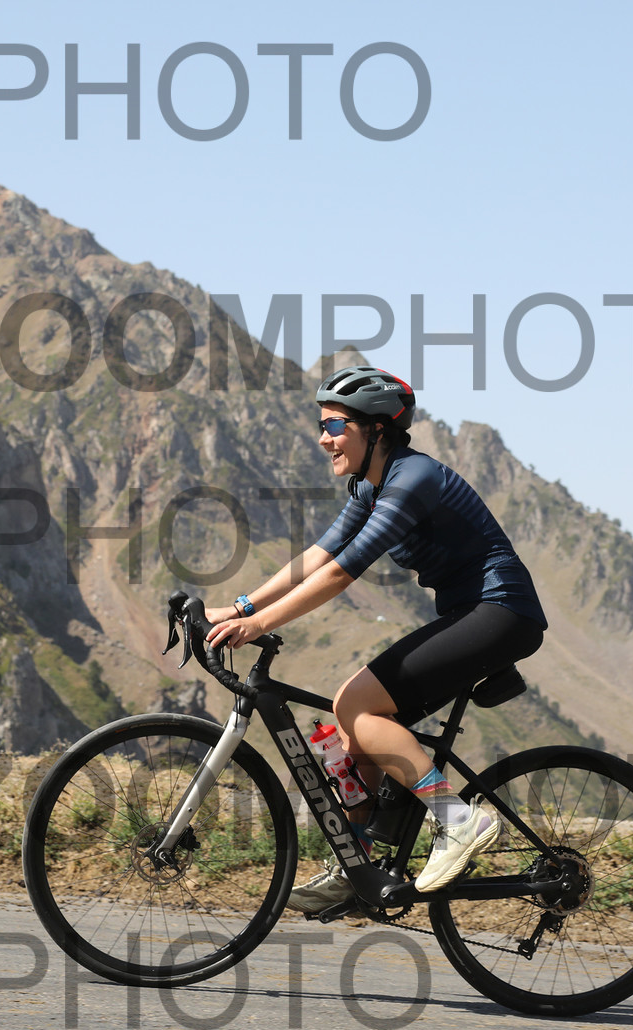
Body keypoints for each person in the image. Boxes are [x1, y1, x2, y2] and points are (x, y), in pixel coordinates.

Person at [205, 365, 547, 912]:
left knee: (356, 704)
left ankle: (460, 821)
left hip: (502, 611)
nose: (324, 438)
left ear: (377, 431)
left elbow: (342, 572)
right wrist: (241, 607)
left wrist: (259, 626)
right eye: (322, 425)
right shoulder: (371, 485)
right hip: (472, 613)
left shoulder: (413, 479)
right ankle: (358, 864)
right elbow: (319, 554)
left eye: (334, 426)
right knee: (350, 733)